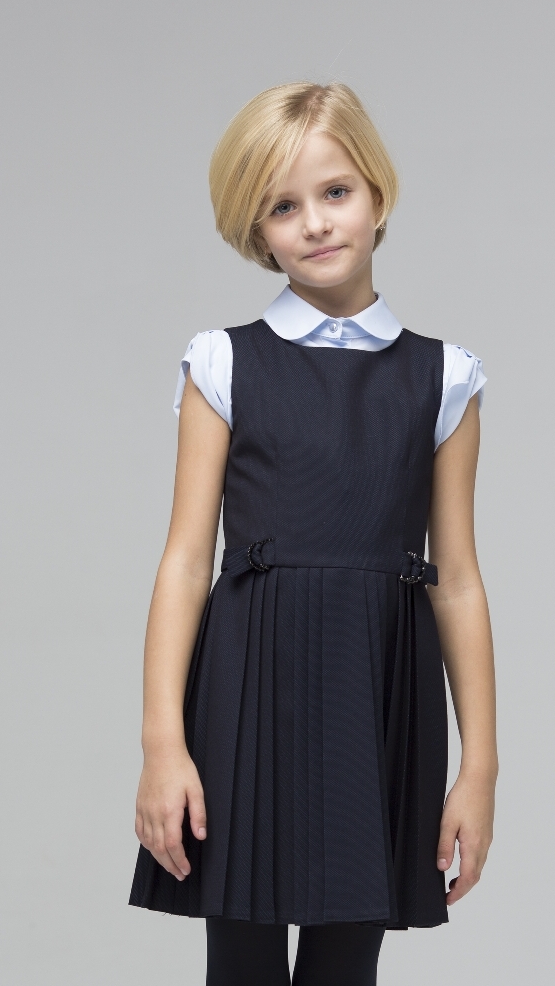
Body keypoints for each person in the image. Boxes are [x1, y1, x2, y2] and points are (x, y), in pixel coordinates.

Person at [129, 82, 498, 986]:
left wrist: (480, 766)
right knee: (242, 962)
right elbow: (185, 561)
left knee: (346, 962)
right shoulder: (224, 361)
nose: (317, 223)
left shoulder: (443, 377)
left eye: (335, 192)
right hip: (246, 687)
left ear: (377, 191)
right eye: (283, 206)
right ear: (257, 231)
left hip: (379, 689)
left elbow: (456, 577)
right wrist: (162, 744)